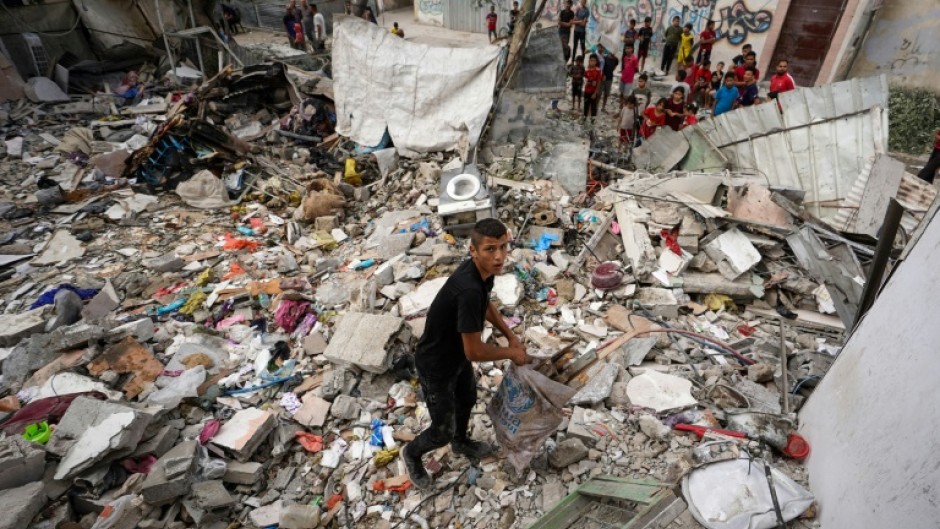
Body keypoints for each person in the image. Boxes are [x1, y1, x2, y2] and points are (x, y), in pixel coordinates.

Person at [403, 219, 527, 490]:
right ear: (474, 251)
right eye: (490, 249)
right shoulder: (468, 288)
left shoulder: (483, 273)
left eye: (503, 248)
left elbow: (486, 305)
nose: (499, 256)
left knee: (468, 398)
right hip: (436, 366)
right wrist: (511, 353)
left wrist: (510, 334)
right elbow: (474, 350)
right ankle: (411, 454)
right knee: (440, 432)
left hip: (455, 358)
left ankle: (461, 442)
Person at [598, 44, 618, 113]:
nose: (613, 52)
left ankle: (603, 107)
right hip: (602, 77)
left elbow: (614, 68)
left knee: (606, 94)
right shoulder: (605, 57)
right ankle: (596, 106)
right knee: (599, 93)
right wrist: (603, 75)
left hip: (610, 78)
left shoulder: (616, 60)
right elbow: (602, 67)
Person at [582, 54, 603, 123]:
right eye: (591, 60)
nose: (592, 62)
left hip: (593, 92)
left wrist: (595, 93)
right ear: (589, 61)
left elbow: (599, 82)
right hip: (586, 91)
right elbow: (585, 78)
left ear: (596, 62)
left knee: (593, 107)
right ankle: (584, 118)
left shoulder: (598, 70)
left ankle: (593, 120)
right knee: (586, 105)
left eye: (594, 61)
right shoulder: (587, 69)